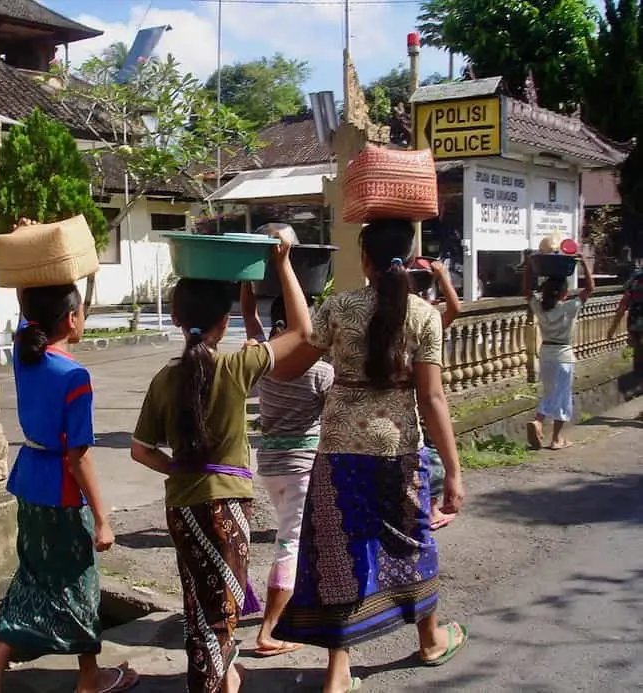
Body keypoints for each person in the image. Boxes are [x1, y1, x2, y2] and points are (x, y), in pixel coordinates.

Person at [269, 219, 468, 693]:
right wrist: (455, 473)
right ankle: (430, 640)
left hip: (339, 451)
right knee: (414, 540)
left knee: (342, 552)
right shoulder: (424, 315)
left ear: (364, 260)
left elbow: (289, 368)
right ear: (409, 253)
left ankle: (338, 673)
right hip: (398, 450)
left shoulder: (338, 308)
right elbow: (433, 398)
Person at [129, 226, 313, 693]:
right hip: (226, 506)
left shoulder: (162, 379)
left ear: (173, 316)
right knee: (223, 613)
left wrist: (177, 468)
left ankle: (223, 677)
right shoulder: (236, 367)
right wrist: (283, 263)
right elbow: (304, 333)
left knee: (198, 605)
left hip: (181, 507)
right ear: (223, 321)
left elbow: (140, 450)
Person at [0, 284, 139, 693]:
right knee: (79, 584)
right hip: (62, 491)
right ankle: (88, 679)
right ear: (71, 319)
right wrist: (102, 519)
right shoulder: (74, 376)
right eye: (81, 309)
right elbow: (79, 457)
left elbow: (30, 312)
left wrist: (30, 271)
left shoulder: (26, 356)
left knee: (34, 576)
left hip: (29, 483)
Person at [239, 284, 335, 657]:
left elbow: (248, 315)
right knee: (290, 544)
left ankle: (301, 604)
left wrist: (249, 280)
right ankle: (268, 630)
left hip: (270, 466)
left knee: (297, 537)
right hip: (302, 467)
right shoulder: (320, 372)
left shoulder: (263, 359)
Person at [409, 259, 461, 531]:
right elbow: (455, 309)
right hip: (425, 393)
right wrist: (443, 277)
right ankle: (430, 509)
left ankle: (428, 507)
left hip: (412, 394)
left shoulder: (407, 314)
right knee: (431, 452)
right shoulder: (426, 316)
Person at [523, 255, 595, 451]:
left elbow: (526, 292)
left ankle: (538, 421)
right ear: (564, 293)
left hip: (546, 354)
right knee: (562, 396)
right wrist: (584, 263)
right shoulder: (570, 308)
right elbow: (589, 288)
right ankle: (557, 439)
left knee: (549, 393)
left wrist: (529, 266)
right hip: (564, 355)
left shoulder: (541, 308)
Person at [607, 263, 643, 376]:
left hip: (635, 321)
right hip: (636, 321)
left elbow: (623, 305)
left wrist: (613, 328)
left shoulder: (636, 278)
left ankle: (626, 366)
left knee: (634, 345)